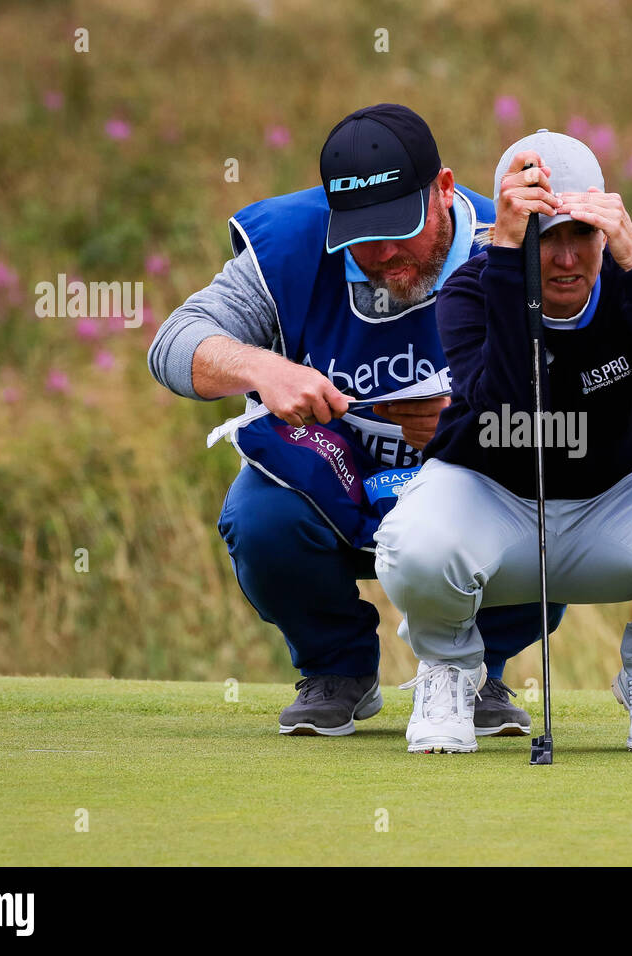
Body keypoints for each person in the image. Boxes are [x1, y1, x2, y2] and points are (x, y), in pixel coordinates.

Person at [147, 104, 565, 738]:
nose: (384, 251)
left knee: (558, 497)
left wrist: (467, 428)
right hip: (332, 487)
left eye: (399, 226)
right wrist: (264, 369)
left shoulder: (509, 242)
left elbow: (575, 403)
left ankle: (474, 671)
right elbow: (174, 344)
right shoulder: (291, 245)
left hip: (474, 497)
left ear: (445, 191)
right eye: (362, 234)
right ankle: (338, 671)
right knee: (258, 519)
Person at [374, 129, 632, 754]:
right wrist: (505, 263)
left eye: (581, 232)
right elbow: (509, 409)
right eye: (541, 235)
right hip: (489, 498)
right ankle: (449, 672)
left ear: (606, 227)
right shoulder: (475, 287)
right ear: (509, 232)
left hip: (616, 503)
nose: (565, 257)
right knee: (412, 547)